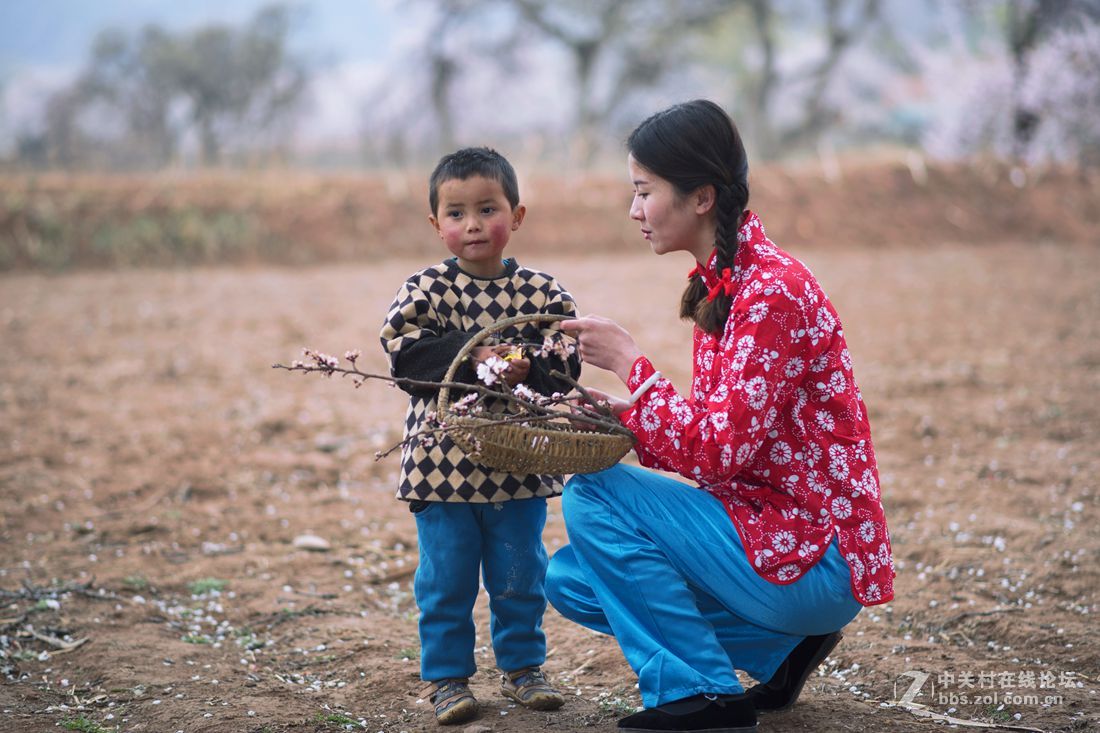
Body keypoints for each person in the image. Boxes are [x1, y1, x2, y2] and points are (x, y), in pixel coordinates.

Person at [550, 100, 895, 733]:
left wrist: (631, 364)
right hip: (771, 532)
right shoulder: (728, 283)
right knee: (570, 578)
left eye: (644, 191)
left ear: (702, 197)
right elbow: (720, 438)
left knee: (592, 496)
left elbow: (716, 455)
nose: (634, 210)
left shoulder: (771, 294)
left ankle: (704, 694)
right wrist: (629, 419)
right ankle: (781, 650)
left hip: (815, 554)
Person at [379, 147, 579, 726]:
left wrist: (531, 367)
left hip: (518, 463)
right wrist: (474, 357)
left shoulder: (542, 293)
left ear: (517, 216)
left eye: (487, 209)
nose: (472, 224)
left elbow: (567, 360)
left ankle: (524, 669)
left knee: (521, 576)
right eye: (456, 213)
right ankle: (448, 679)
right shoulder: (425, 289)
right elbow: (405, 359)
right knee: (446, 580)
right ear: (436, 223)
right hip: (440, 469)